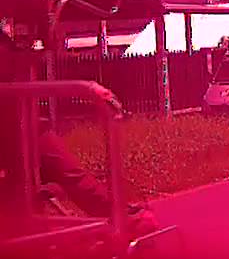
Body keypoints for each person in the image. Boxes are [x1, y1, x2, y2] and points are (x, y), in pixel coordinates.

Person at [0, 32, 157, 238]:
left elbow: (25, 62)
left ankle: (124, 217)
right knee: (59, 176)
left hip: (22, 126)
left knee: (64, 175)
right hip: (15, 130)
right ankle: (125, 218)